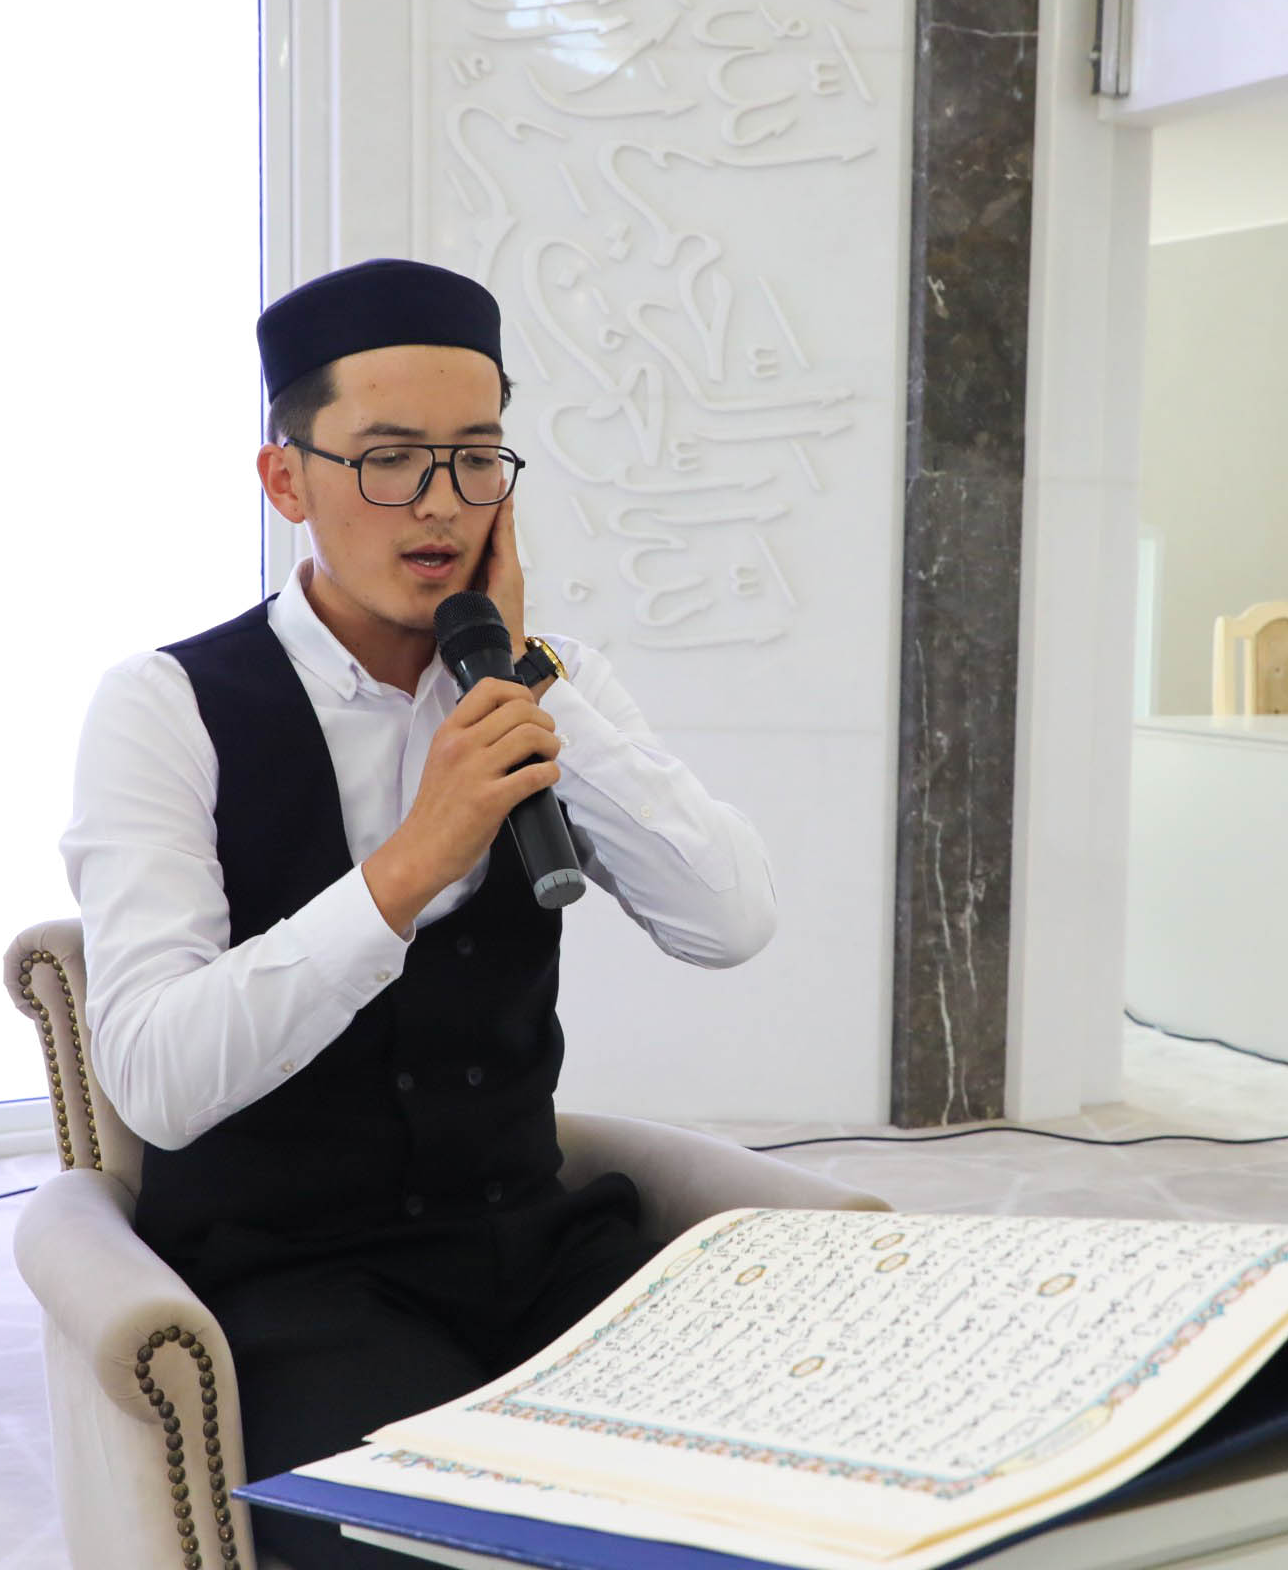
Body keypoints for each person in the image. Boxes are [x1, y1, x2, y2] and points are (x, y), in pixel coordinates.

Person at [58, 257, 777, 1568]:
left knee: (786, 1488)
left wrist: (524, 681)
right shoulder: (165, 707)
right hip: (298, 1283)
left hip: (536, 1247)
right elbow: (156, 1077)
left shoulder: (547, 679)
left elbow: (727, 919)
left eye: (476, 459)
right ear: (287, 481)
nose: (440, 503)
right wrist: (408, 867)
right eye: (388, 460)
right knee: (445, 1550)